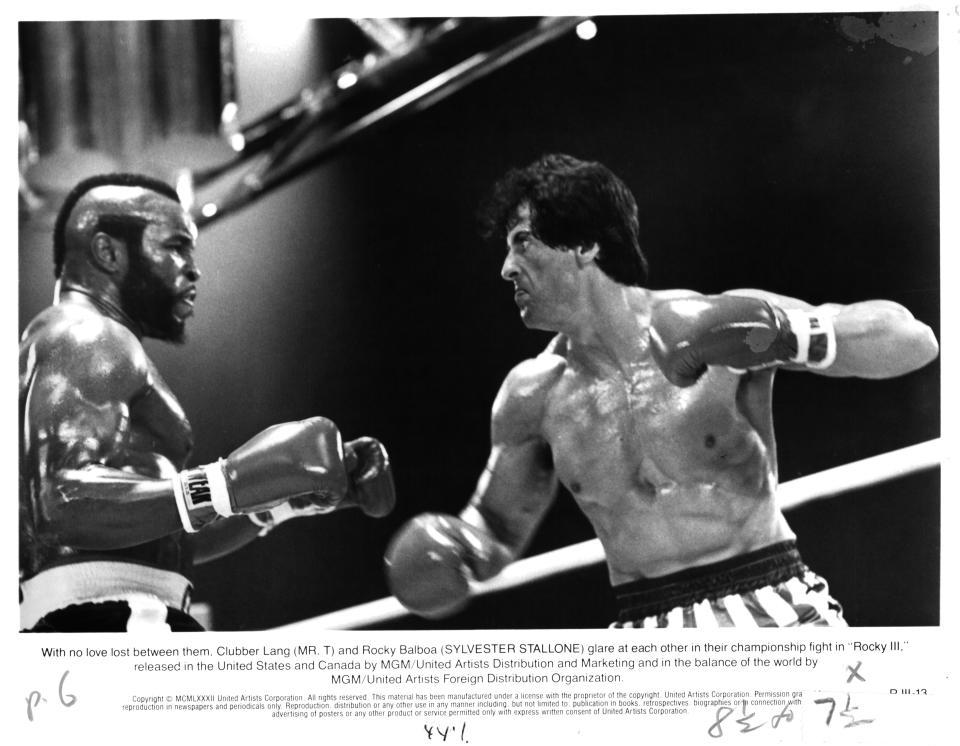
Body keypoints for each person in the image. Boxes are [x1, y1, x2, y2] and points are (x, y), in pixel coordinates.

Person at [384, 153, 938, 628]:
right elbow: (496, 526)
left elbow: (912, 340)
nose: (506, 268)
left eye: (522, 242)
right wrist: (457, 542)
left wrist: (787, 333)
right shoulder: (531, 395)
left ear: (583, 244)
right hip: (646, 630)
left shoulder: (717, 320)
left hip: (774, 605)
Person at [19, 173, 396, 632]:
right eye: (176, 246)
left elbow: (164, 532)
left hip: (116, 614)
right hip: (101, 619)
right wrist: (229, 479)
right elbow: (61, 503)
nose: (193, 268)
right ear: (108, 253)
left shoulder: (88, 346)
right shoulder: (85, 334)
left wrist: (281, 498)